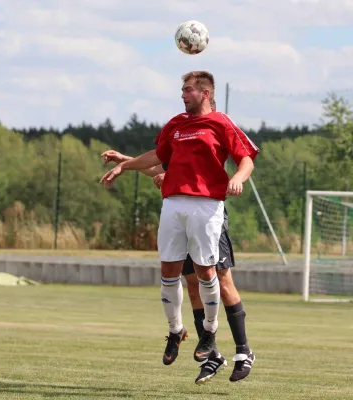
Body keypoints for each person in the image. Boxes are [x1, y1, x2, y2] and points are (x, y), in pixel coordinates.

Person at [99, 71, 259, 383]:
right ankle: (181, 335)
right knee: (176, 276)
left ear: (206, 93)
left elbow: (246, 158)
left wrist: (237, 178)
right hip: (173, 205)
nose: (182, 95)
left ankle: (228, 344)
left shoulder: (221, 123)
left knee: (211, 277)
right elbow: (159, 159)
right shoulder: (176, 125)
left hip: (207, 207)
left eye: (187, 90)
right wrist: (125, 164)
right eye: (182, 90)